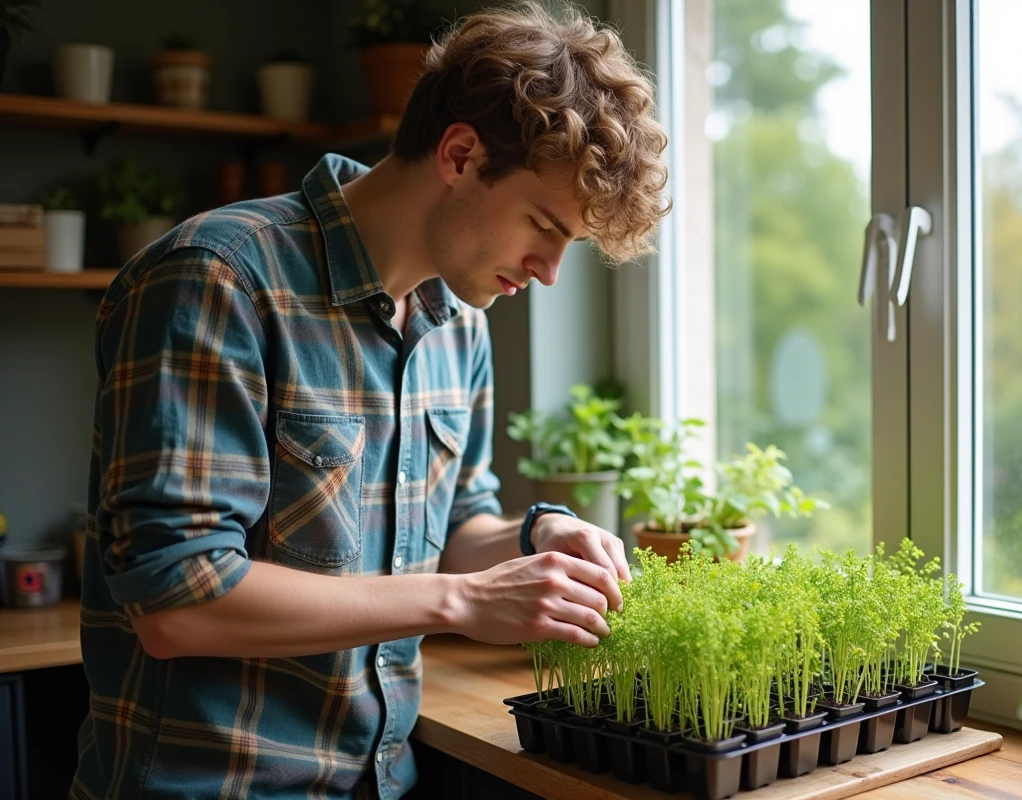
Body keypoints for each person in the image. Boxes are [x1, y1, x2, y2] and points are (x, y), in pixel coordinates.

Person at [70, 2, 669, 797]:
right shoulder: (218, 280)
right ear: (460, 154)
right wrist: (460, 601)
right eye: (542, 224)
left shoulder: (458, 322)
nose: (550, 270)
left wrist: (537, 537)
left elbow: (457, 526)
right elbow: (178, 602)